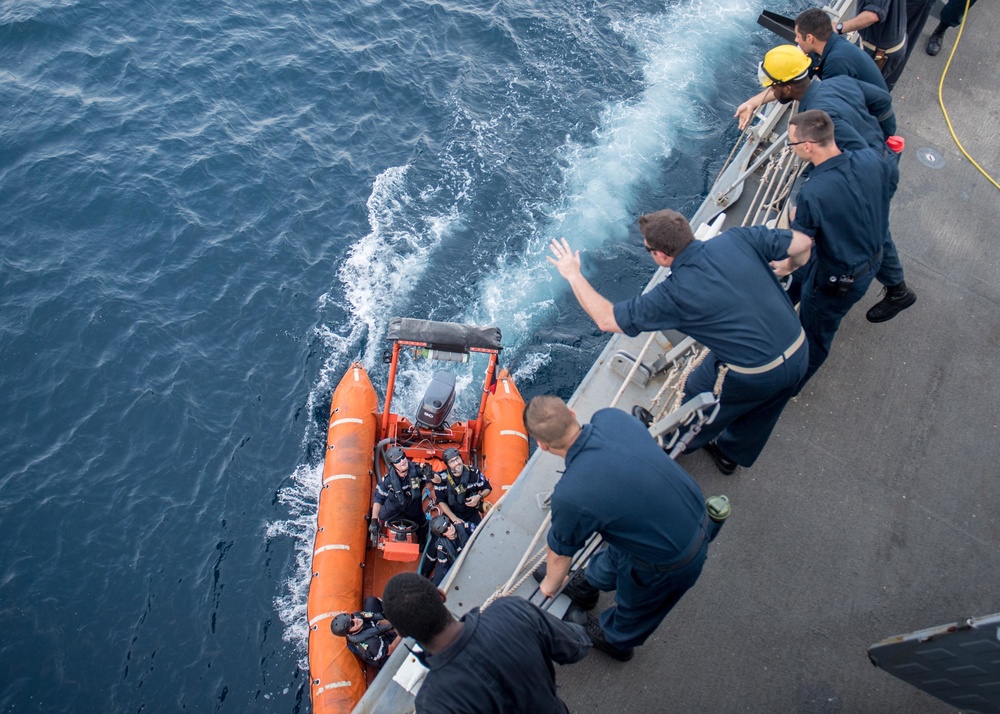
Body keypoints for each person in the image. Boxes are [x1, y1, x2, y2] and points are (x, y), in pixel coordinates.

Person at [547, 211, 811, 474]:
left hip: (756, 372)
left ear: (661, 255)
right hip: (799, 348)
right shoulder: (737, 238)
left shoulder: (673, 294)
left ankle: (670, 444)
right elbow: (803, 243)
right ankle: (730, 455)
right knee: (765, 410)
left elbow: (607, 320)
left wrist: (573, 274)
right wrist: (789, 267)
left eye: (649, 250)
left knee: (700, 391)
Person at [524, 396, 725, 661]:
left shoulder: (571, 494)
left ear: (542, 445)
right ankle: (589, 583)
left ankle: (616, 639)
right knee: (620, 547)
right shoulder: (610, 418)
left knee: (638, 604)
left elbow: (560, 553)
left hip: (673, 558)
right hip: (687, 509)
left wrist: (551, 585)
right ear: (572, 413)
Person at [755, 45, 916, 324]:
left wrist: (830, 187)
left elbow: (855, 155)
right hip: (880, 160)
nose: (772, 91)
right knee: (874, 227)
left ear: (787, 87)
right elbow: (881, 99)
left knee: (868, 229)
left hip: (872, 171)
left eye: (773, 86)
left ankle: (895, 289)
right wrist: (884, 138)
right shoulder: (837, 82)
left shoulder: (823, 115)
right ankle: (897, 288)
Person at [778, 110, 900, 387]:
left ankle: (791, 386)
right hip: (870, 258)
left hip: (836, 279)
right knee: (797, 292)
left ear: (807, 146)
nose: (792, 149)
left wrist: (784, 266)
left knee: (815, 335)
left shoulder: (813, 193)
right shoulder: (870, 159)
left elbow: (801, 248)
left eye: (792, 143)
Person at [381, 572, 591, 713]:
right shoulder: (511, 611)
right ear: (441, 595)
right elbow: (577, 646)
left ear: (402, 633)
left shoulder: (432, 702)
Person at [735, 8, 887, 131]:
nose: (795, 40)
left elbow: (839, 107)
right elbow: (790, 80)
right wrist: (752, 102)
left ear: (809, 38)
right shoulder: (825, 49)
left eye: (797, 36)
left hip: (873, 121)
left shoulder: (836, 64)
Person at [838, 0, 908, 90]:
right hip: (883, 40)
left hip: (878, 52)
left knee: (852, 89)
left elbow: (874, 15)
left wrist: (839, 28)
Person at [370, 445, 430, 547]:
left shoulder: (418, 471)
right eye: (397, 461)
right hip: (393, 506)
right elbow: (378, 499)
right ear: (393, 465)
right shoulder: (387, 480)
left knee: (422, 522)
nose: (402, 461)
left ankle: (422, 540)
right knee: (380, 517)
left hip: (413, 506)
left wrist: (431, 475)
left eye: (403, 457)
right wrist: (374, 520)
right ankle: (377, 535)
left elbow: (434, 483)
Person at [330, 595, 400, 669]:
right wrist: (402, 631)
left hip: (374, 630)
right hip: (384, 650)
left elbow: (375, 618)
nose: (356, 620)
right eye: (352, 624)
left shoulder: (357, 617)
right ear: (349, 633)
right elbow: (391, 649)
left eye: (352, 617)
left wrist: (390, 624)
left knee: (371, 601)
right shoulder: (371, 645)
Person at [433, 447, 492, 526]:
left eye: (457, 459)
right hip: (451, 514)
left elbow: (488, 488)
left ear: (461, 458)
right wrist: (454, 519)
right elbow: (441, 500)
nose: (456, 463)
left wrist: (479, 496)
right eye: (452, 461)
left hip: (471, 513)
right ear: (447, 465)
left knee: (479, 532)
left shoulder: (475, 473)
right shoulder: (442, 478)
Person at [426, 513, 474, 586]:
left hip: (472, 554)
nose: (449, 528)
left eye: (448, 524)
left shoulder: (466, 527)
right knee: (437, 582)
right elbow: (443, 567)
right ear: (442, 534)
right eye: (445, 530)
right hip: (457, 563)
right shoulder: (442, 547)